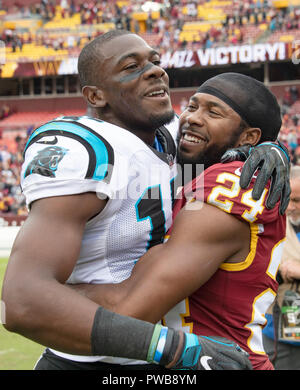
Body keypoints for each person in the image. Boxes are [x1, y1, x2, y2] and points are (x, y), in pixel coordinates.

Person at [1, 30, 288, 370]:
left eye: (154, 61)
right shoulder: (86, 150)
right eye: (131, 67)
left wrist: (270, 147)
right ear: (95, 95)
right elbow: (22, 303)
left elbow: (223, 142)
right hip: (91, 351)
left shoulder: (167, 140)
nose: (155, 71)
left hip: (148, 349)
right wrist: (172, 347)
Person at [69, 73, 288, 370]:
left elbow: (130, 309)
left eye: (213, 111)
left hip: (222, 361)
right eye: (193, 106)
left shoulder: (235, 181)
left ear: (249, 137)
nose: (193, 118)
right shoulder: (188, 173)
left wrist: (47, 290)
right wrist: (277, 147)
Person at [262, 165, 300, 370]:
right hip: (274, 330)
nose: (291, 206)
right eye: (288, 198)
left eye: (297, 201)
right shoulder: (272, 223)